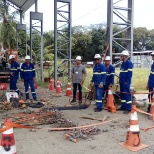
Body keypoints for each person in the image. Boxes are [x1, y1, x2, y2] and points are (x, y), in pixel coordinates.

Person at [118, 50, 133, 114]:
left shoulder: (129, 63)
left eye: (121, 56)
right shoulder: (122, 63)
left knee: (127, 94)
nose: (120, 57)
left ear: (125, 56)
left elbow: (130, 73)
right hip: (121, 82)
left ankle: (128, 108)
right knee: (122, 94)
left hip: (126, 82)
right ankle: (123, 106)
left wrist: (127, 81)